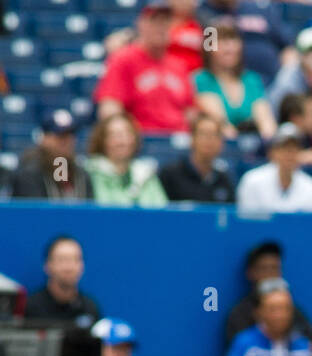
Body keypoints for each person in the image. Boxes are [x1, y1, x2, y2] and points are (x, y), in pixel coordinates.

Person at [94, 0, 194, 135]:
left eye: (165, 21)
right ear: (140, 24)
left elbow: (190, 112)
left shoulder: (179, 65)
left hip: (178, 142)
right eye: (154, 20)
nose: (161, 26)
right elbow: (109, 109)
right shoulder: (123, 59)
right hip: (140, 141)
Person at [194, 22, 276, 140]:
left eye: (233, 40)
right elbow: (221, 123)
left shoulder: (252, 80)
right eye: (222, 41)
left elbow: (267, 124)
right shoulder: (201, 79)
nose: (229, 47)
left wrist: (269, 141)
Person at [223, 239, 312, 345]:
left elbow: (310, 346)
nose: (270, 274)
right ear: (250, 273)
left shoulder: (295, 312)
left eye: (274, 268)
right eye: (264, 268)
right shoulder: (239, 314)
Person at [197, 0, 294, 84]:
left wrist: (285, 72)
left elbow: (287, 46)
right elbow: (207, 51)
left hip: (273, 80)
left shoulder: (259, 8)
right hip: (226, 81)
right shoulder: (201, 12)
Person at [235, 121, 312, 213]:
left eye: (294, 149)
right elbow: (248, 222)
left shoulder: (311, 187)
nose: (289, 154)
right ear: (272, 152)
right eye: (284, 148)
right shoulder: (252, 181)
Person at [85, 112, 168, 208]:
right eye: (114, 135)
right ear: (102, 141)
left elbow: (161, 209)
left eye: (127, 134)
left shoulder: (146, 174)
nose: (123, 141)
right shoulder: (89, 173)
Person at [12, 108, 93, 201]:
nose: (67, 141)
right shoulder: (29, 175)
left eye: (71, 134)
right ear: (44, 139)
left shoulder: (82, 175)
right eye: (61, 136)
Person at [25, 235, 102, 328]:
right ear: (47, 265)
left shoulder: (90, 308)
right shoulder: (30, 308)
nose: (69, 267)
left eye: (75, 259)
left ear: (82, 266)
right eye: (62, 260)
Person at [158, 112, 235, 202]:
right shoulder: (170, 174)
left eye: (215, 135)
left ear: (222, 143)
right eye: (203, 134)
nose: (209, 140)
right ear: (192, 139)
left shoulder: (224, 180)